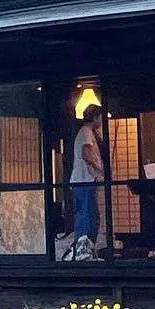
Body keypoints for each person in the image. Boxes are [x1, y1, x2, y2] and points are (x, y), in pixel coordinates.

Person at [68, 103, 105, 251]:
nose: (101, 121)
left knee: (85, 216)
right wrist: (99, 170)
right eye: (100, 117)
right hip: (85, 180)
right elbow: (86, 153)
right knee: (89, 216)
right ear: (95, 117)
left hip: (80, 181)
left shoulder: (85, 132)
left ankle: (83, 248)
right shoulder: (86, 132)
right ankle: (85, 248)